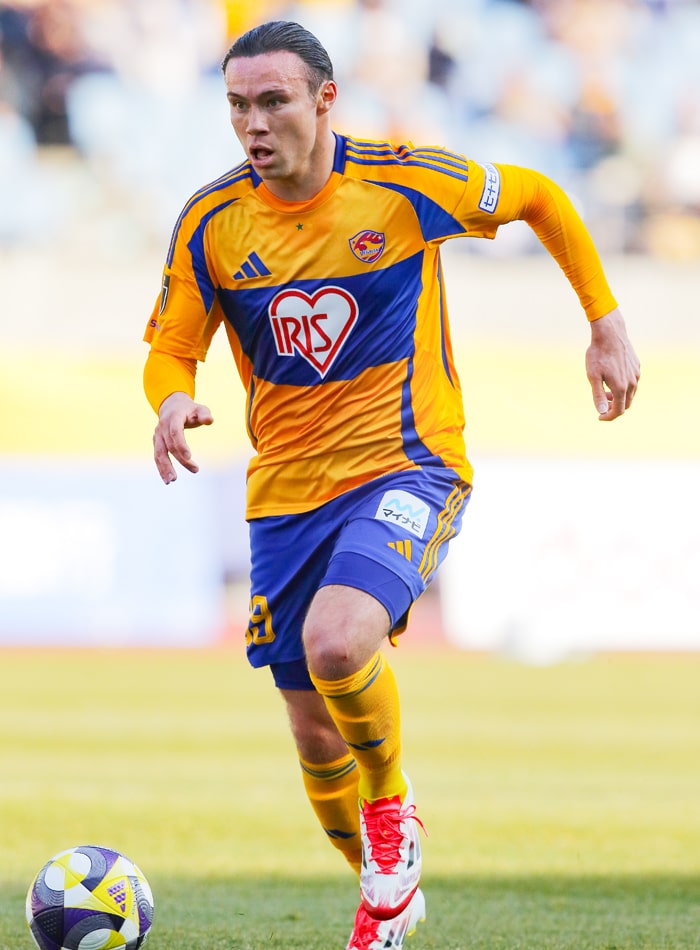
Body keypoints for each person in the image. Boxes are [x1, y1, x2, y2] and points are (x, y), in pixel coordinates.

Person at [142, 19, 640, 950]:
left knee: (338, 643)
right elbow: (171, 348)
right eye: (238, 105)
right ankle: (386, 904)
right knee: (312, 730)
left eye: (274, 101)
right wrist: (170, 400)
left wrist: (604, 320)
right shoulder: (212, 221)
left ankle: (390, 808)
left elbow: (538, 196)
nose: (254, 124)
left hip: (407, 461)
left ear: (325, 99)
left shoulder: (403, 180)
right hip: (284, 492)